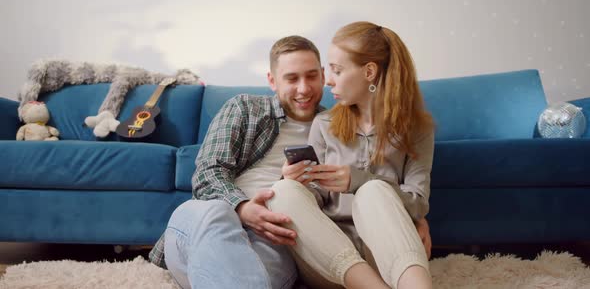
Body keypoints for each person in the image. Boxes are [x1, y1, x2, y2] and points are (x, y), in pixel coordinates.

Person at [149, 34, 432, 289]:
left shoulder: (333, 123)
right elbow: (207, 173)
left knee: (257, 259)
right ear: (272, 81)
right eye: (292, 78)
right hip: (216, 219)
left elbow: (360, 198)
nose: (303, 88)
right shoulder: (246, 108)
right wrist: (243, 208)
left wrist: (408, 216)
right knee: (213, 214)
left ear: (323, 76)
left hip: (277, 240)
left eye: (312, 76)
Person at [269, 22, 434, 289]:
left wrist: (359, 180)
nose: (328, 80)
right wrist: (299, 182)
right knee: (282, 190)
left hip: (387, 254)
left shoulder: (417, 129)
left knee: (373, 190)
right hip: (334, 261)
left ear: (369, 71)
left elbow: (418, 204)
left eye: (336, 70)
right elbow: (315, 199)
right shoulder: (324, 124)